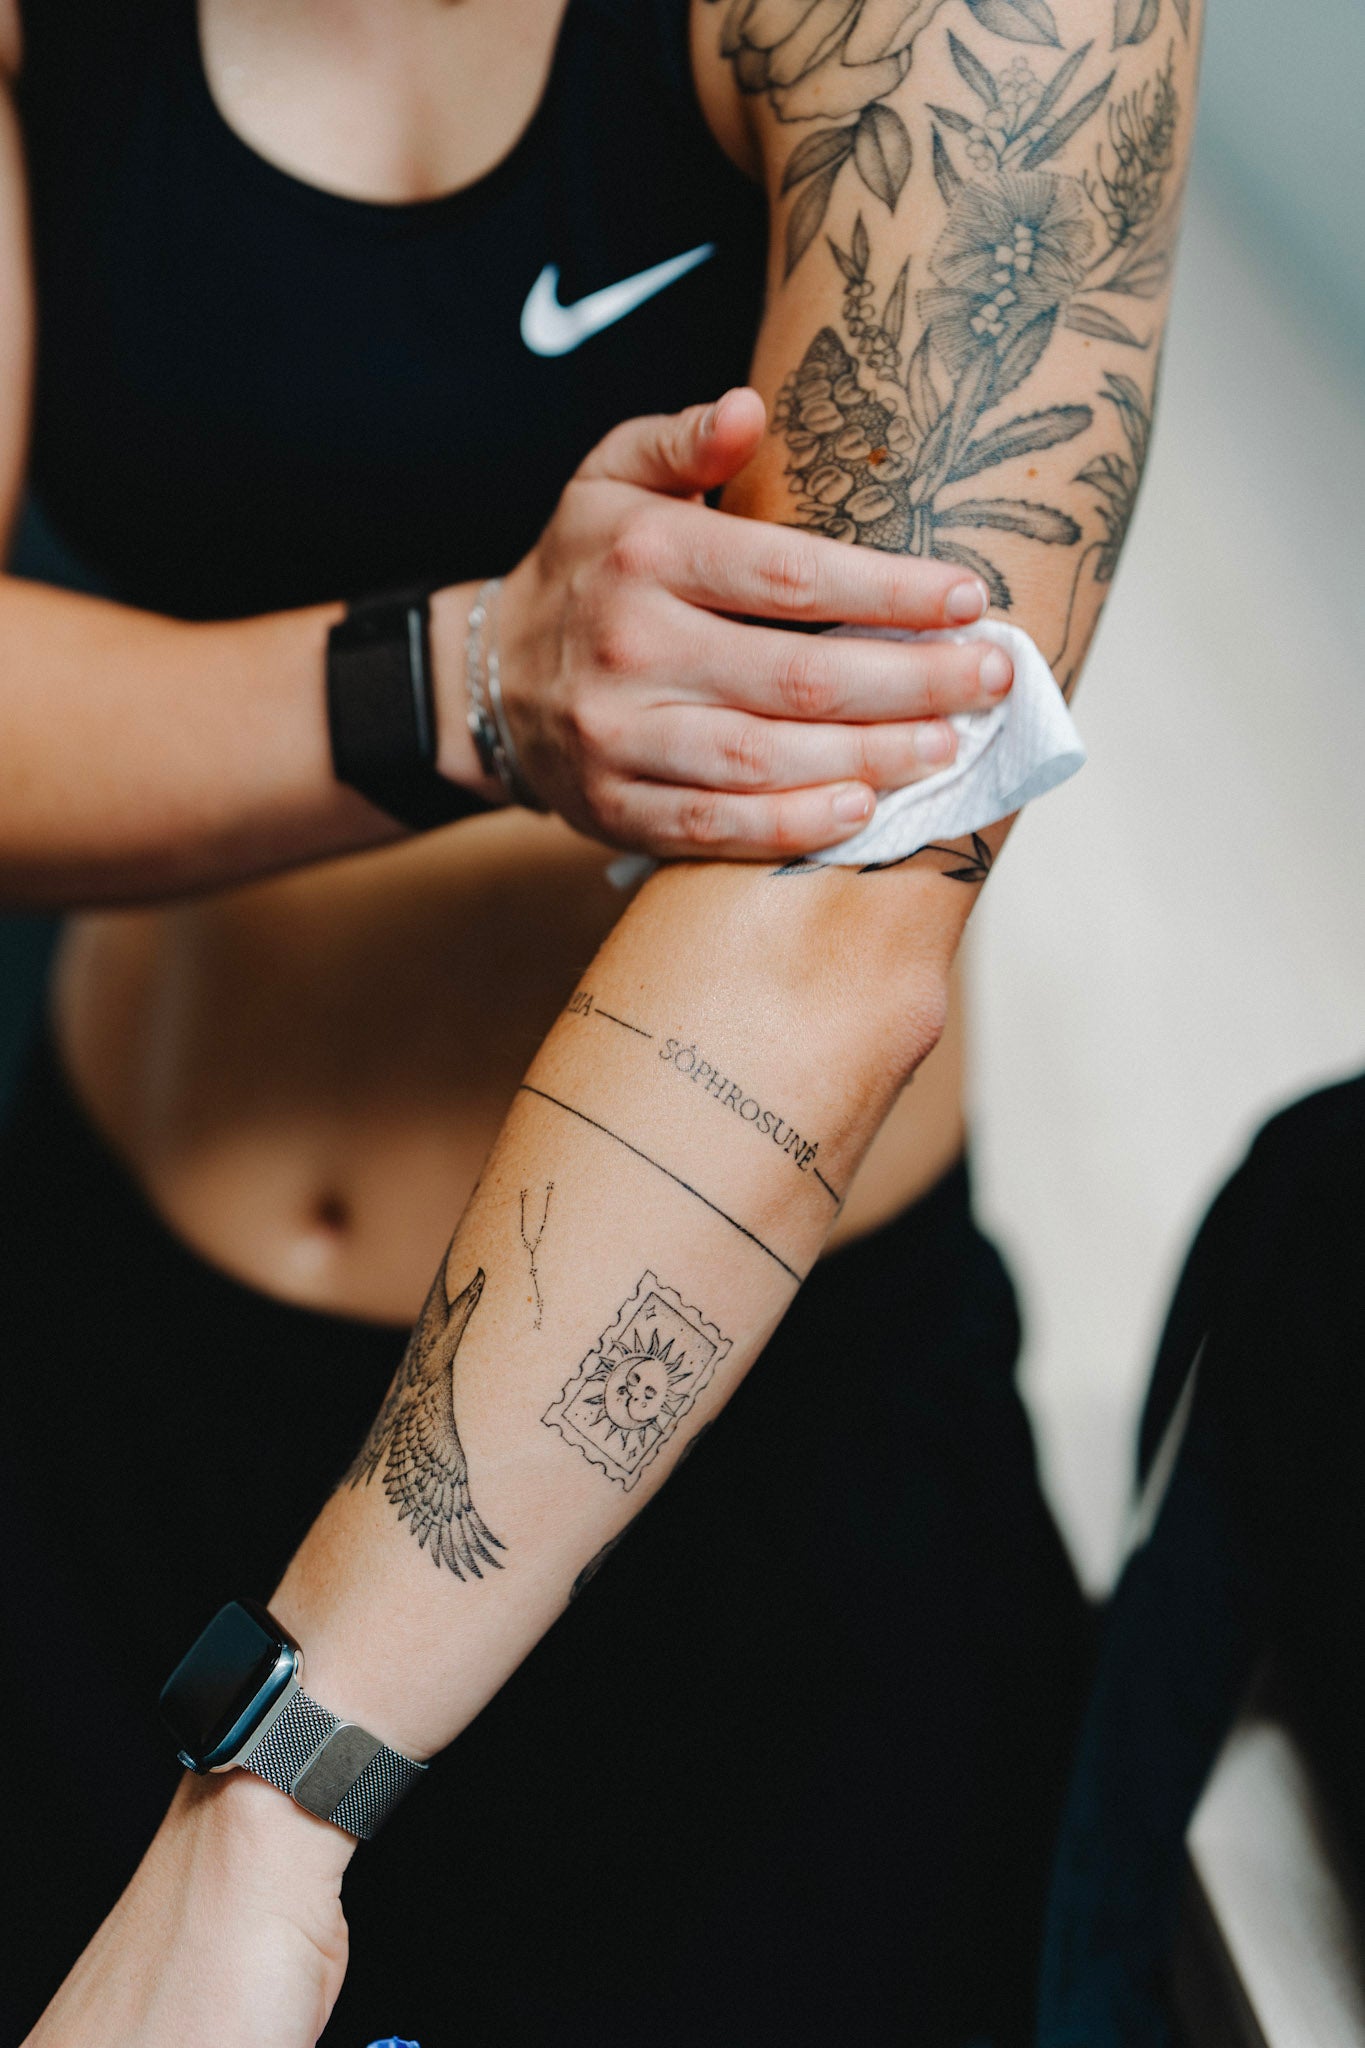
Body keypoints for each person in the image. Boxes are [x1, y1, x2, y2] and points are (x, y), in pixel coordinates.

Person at [0, 2, 1199, 2042]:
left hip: (715, 1478)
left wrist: (282, 1788)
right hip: (95, 1369)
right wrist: (469, 678)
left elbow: (841, 905)